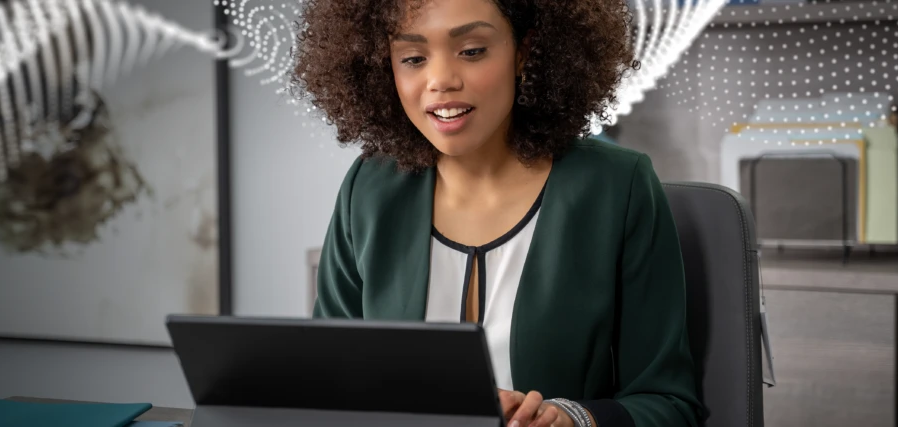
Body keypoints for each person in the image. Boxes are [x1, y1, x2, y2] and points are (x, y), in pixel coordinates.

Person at [290, 0, 704, 426]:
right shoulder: (370, 188)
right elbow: (330, 388)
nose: (441, 81)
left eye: (472, 51)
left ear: (524, 53)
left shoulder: (617, 187)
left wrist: (573, 419)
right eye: (413, 58)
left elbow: (668, 404)